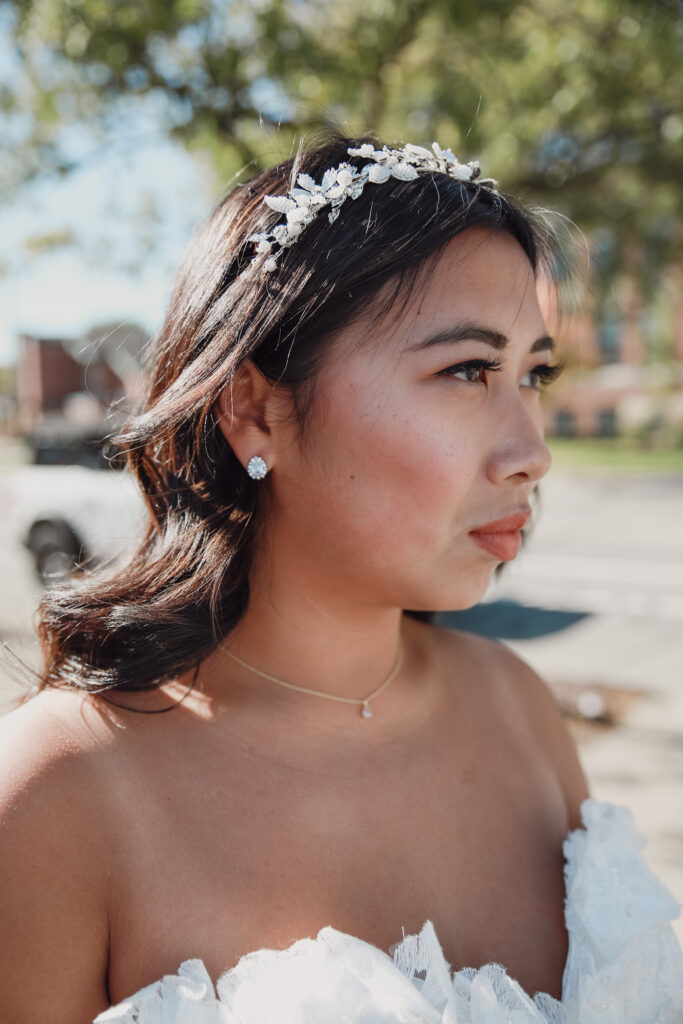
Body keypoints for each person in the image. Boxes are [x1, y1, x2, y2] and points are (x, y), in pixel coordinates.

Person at [0, 132, 681, 1024]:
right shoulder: (61, 794)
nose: (533, 453)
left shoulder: (517, 708)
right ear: (255, 409)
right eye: (467, 370)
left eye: (534, 374)